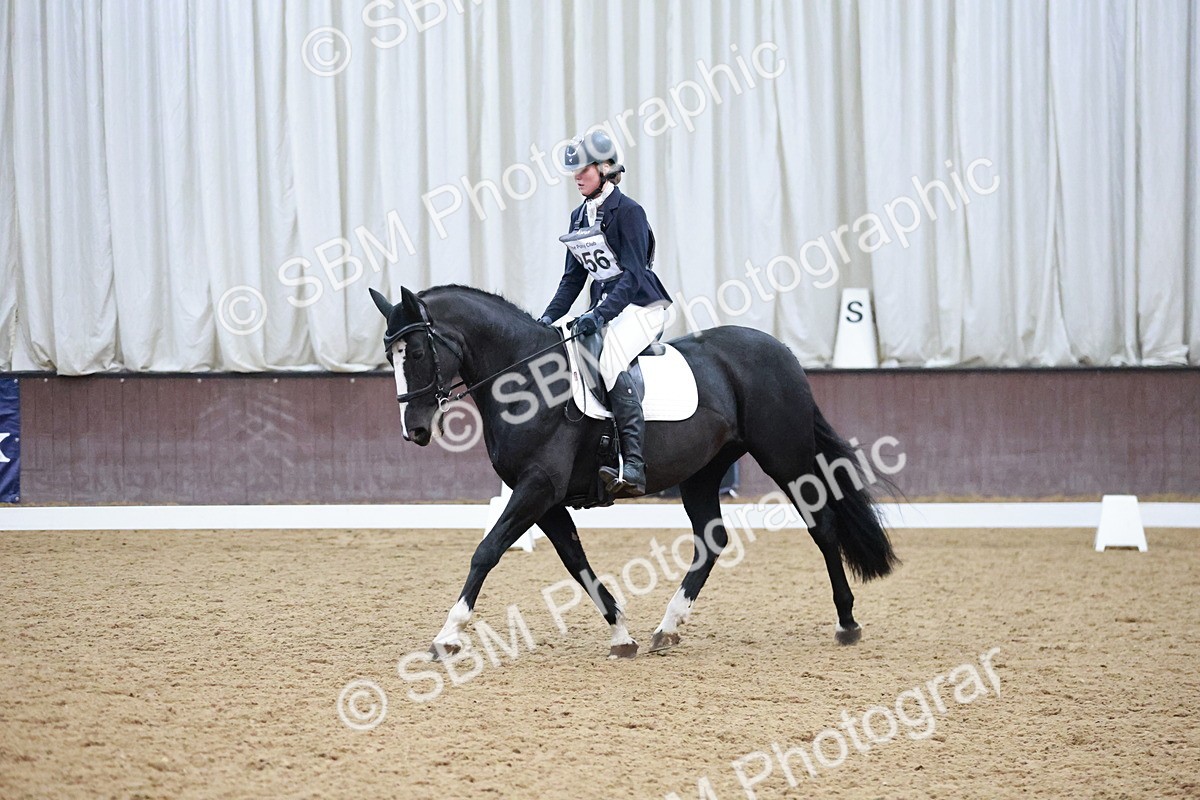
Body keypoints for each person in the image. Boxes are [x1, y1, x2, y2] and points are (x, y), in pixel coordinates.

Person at [538, 130, 673, 497]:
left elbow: (633, 275)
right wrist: (548, 319)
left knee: (611, 362)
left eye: (584, 170)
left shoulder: (628, 212)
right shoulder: (578, 215)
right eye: (575, 171)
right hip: (606, 308)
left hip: (643, 306)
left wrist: (598, 315)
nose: (577, 177)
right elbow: (572, 280)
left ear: (606, 168)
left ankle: (633, 464)